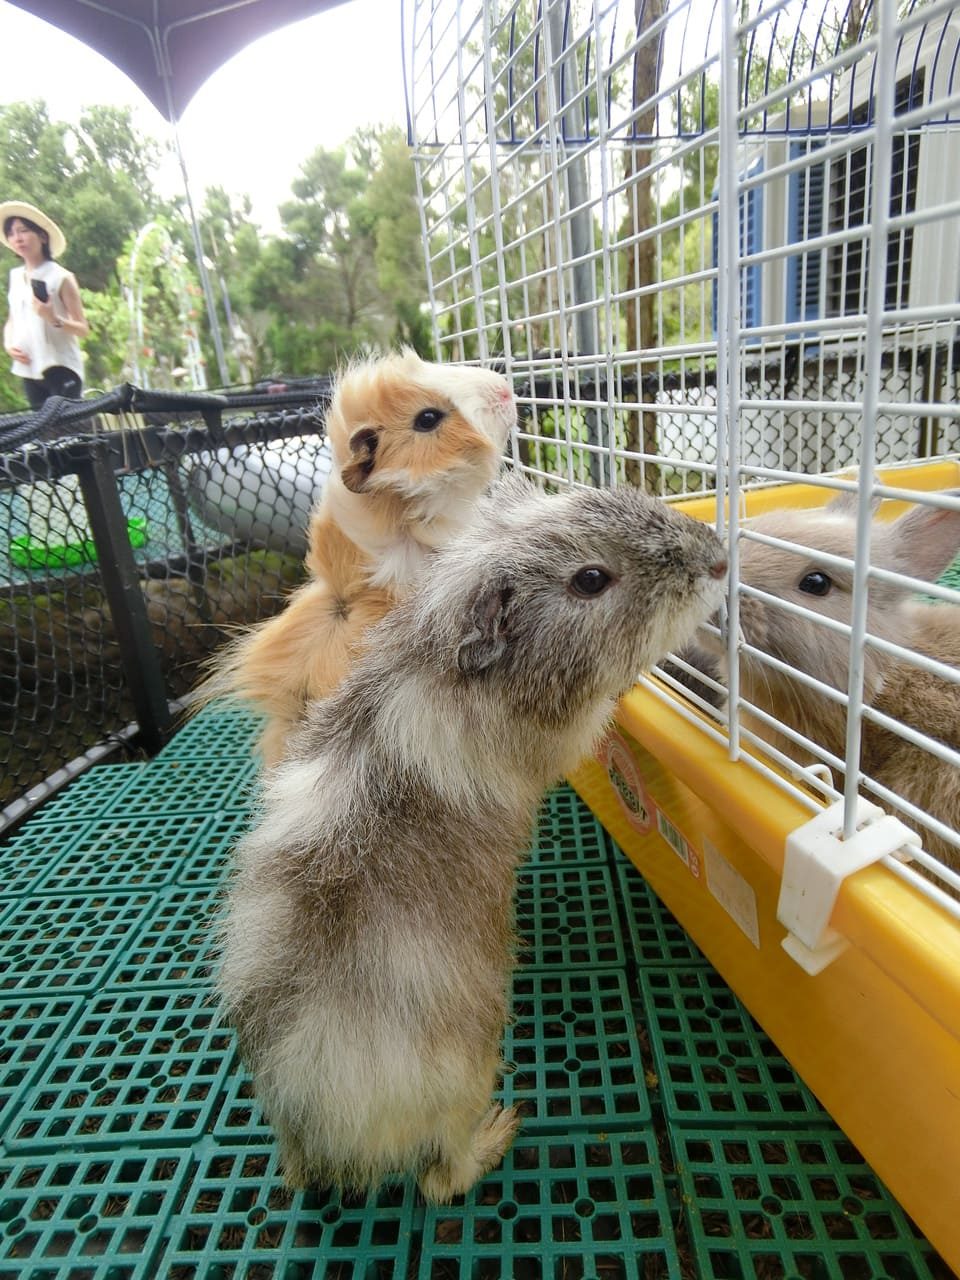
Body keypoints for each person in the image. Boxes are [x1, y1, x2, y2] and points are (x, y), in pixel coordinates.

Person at [1, 200, 89, 409]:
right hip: (29, 368)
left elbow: (83, 329)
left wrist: (53, 318)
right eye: (12, 233)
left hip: (60, 366)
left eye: (23, 231)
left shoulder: (61, 277)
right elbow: (13, 319)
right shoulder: (15, 276)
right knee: (43, 436)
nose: (18, 238)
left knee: (69, 433)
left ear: (42, 236)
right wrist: (8, 344)